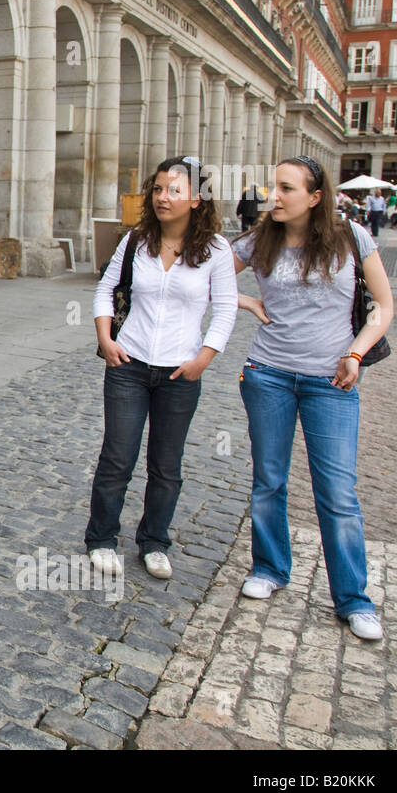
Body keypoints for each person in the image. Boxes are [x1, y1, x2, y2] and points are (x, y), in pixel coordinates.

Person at [232, 156, 394, 641]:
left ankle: (353, 599)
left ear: (315, 196)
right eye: (272, 188)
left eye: (285, 188)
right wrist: (241, 299)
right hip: (269, 375)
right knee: (268, 481)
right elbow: (197, 275)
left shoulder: (352, 238)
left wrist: (357, 353)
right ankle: (269, 568)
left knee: (338, 494)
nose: (274, 197)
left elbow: (384, 306)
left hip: (333, 380)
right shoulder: (258, 240)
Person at [88, 156, 238, 581]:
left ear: (196, 198)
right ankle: (101, 538)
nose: (162, 197)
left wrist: (203, 358)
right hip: (129, 364)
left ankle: (154, 542)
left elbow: (225, 308)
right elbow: (106, 288)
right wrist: (105, 338)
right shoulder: (137, 240)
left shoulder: (215, 250)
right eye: (158, 189)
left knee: (166, 465)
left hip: (180, 372)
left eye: (174, 190)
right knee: (117, 457)